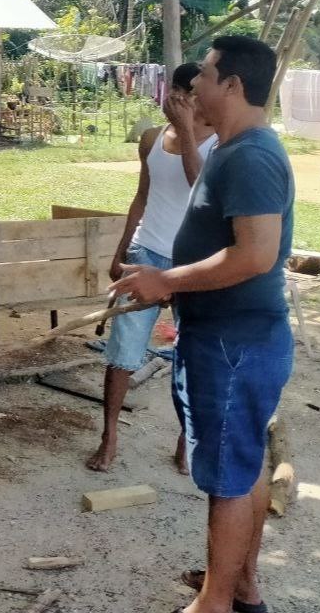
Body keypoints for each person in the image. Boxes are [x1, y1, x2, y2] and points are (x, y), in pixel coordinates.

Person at [111, 36, 294, 613]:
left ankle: (213, 603)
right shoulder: (229, 147)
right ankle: (241, 590)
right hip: (226, 336)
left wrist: (166, 282)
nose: (196, 86)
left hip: (234, 344)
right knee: (243, 461)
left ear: (233, 85)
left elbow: (255, 255)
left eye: (207, 75)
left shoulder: (252, 157)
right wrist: (168, 291)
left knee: (227, 476)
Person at [87, 63, 218, 473]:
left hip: (192, 264)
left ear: (197, 96)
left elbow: (203, 192)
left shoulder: (220, 142)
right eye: (170, 93)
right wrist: (121, 248)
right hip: (147, 253)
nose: (172, 102)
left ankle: (186, 439)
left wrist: (190, 130)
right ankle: (109, 436)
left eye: (182, 95)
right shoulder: (151, 138)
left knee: (192, 354)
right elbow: (141, 196)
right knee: (122, 351)